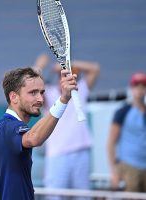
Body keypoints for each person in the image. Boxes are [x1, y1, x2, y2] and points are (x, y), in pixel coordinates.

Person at [0, 67, 78, 200]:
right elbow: (33, 138)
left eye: (42, 92)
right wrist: (63, 99)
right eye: (33, 93)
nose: (40, 99)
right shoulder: (10, 128)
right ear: (14, 97)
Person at [34, 54, 100, 198]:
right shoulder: (49, 93)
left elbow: (95, 68)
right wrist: (39, 67)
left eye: (72, 75)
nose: (70, 78)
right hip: (57, 154)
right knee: (54, 196)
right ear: (59, 77)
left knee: (83, 196)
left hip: (81, 152)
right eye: (65, 75)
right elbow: (33, 86)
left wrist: (67, 64)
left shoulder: (80, 89)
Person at [107, 72, 146, 192]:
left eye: (143, 86)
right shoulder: (123, 112)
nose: (139, 90)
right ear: (131, 88)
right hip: (129, 167)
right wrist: (114, 172)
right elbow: (111, 143)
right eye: (136, 86)